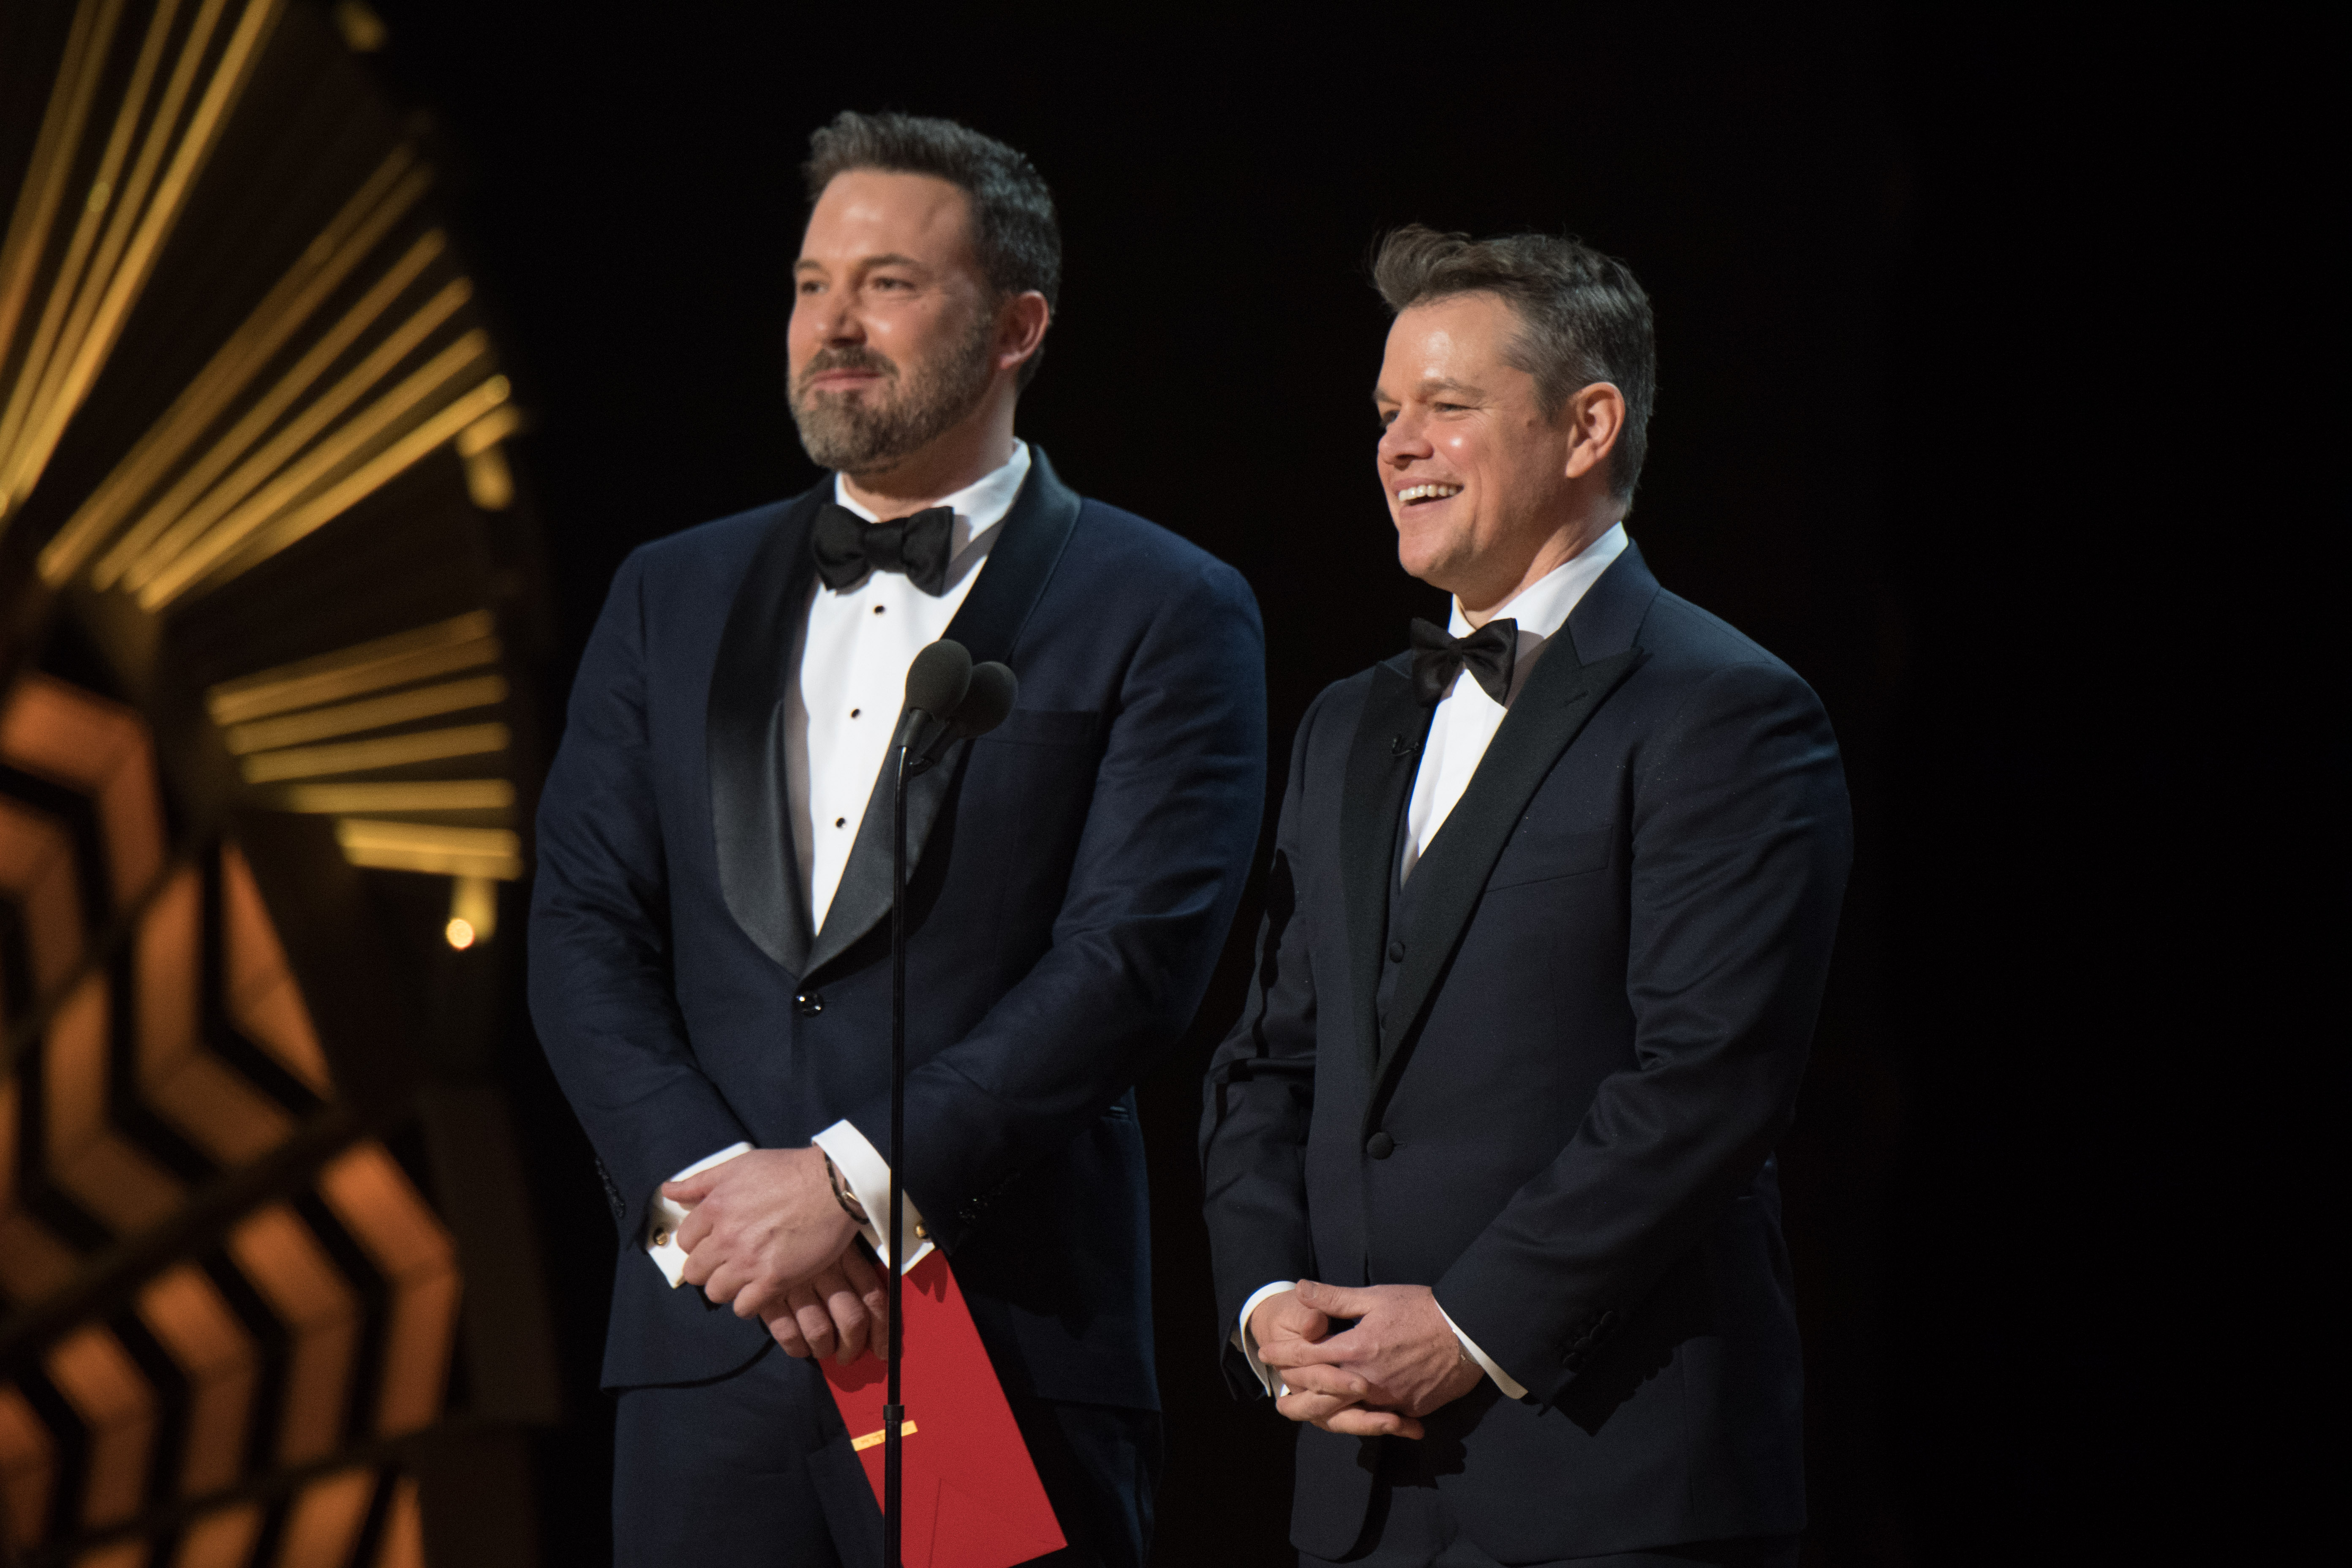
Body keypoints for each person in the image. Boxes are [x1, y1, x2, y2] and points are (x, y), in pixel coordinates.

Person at [531, 111, 1266, 1567]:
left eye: (889, 284)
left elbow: (1131, 963)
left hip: (986, 1348)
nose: (834, 325)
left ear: (1017, 326)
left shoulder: (1164, 604)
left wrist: (852, 1189)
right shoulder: (667, 594)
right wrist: (721, 1217)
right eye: (812, 285)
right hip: (710, 1348)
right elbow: (581, 929)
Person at [1199, 226, 1851, 1568]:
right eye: (1387, 413)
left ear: (1588, 425)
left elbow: (1707, 1082)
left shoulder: (1723, 708)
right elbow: (1269, 1062)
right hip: (1359, 1492)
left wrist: (1469, 1328)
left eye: (1448, 406)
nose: (1398, 445)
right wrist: (1266, 1304)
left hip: (1614, 1486)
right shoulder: (1342, 724)